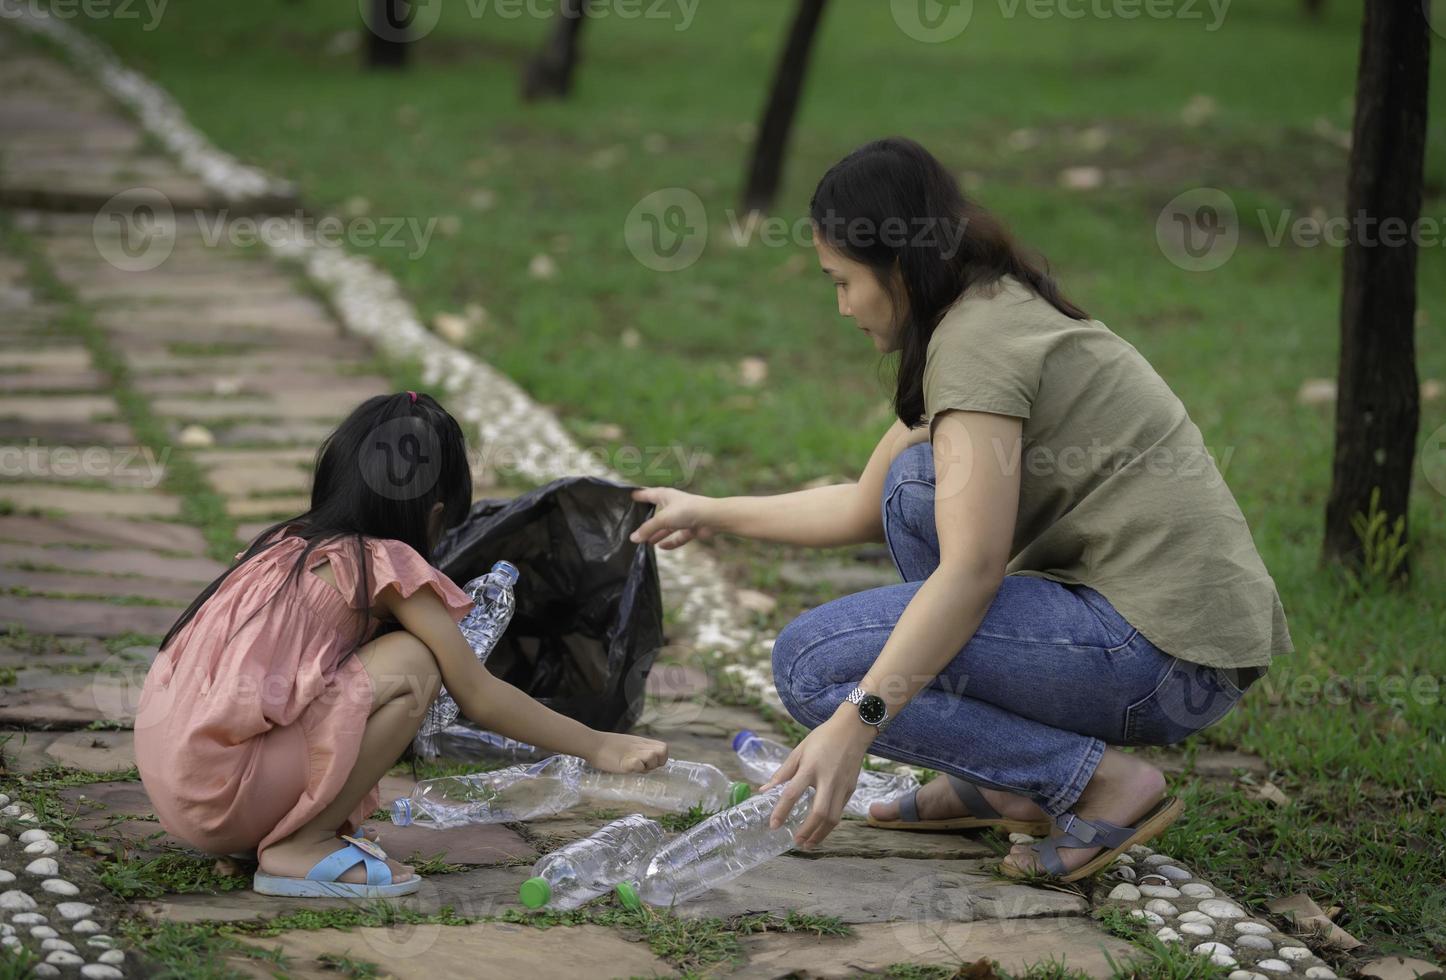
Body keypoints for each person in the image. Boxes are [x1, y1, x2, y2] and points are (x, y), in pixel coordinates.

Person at [627, 137, 1291, 882]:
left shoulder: (976, 344)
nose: (841, 306)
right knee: (913, 489)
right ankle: (994, 779)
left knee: (814, 668)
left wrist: (856, 724)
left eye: (842, 281)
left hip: (1163, 658)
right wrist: (709, 509)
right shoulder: (982, 303)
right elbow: (859, 504)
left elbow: (972, 571)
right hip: (1162, 638)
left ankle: (1099, 782)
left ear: (897, 265)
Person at [135, 390, 667, 898]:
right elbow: (477, 694)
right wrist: (599, 745)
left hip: (182, 783)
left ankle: (271, 829)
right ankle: (302, 842)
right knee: (415, 662)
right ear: (436, 512)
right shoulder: (382, 564)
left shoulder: (279, 545)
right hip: (226, 794)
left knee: (367, 673)